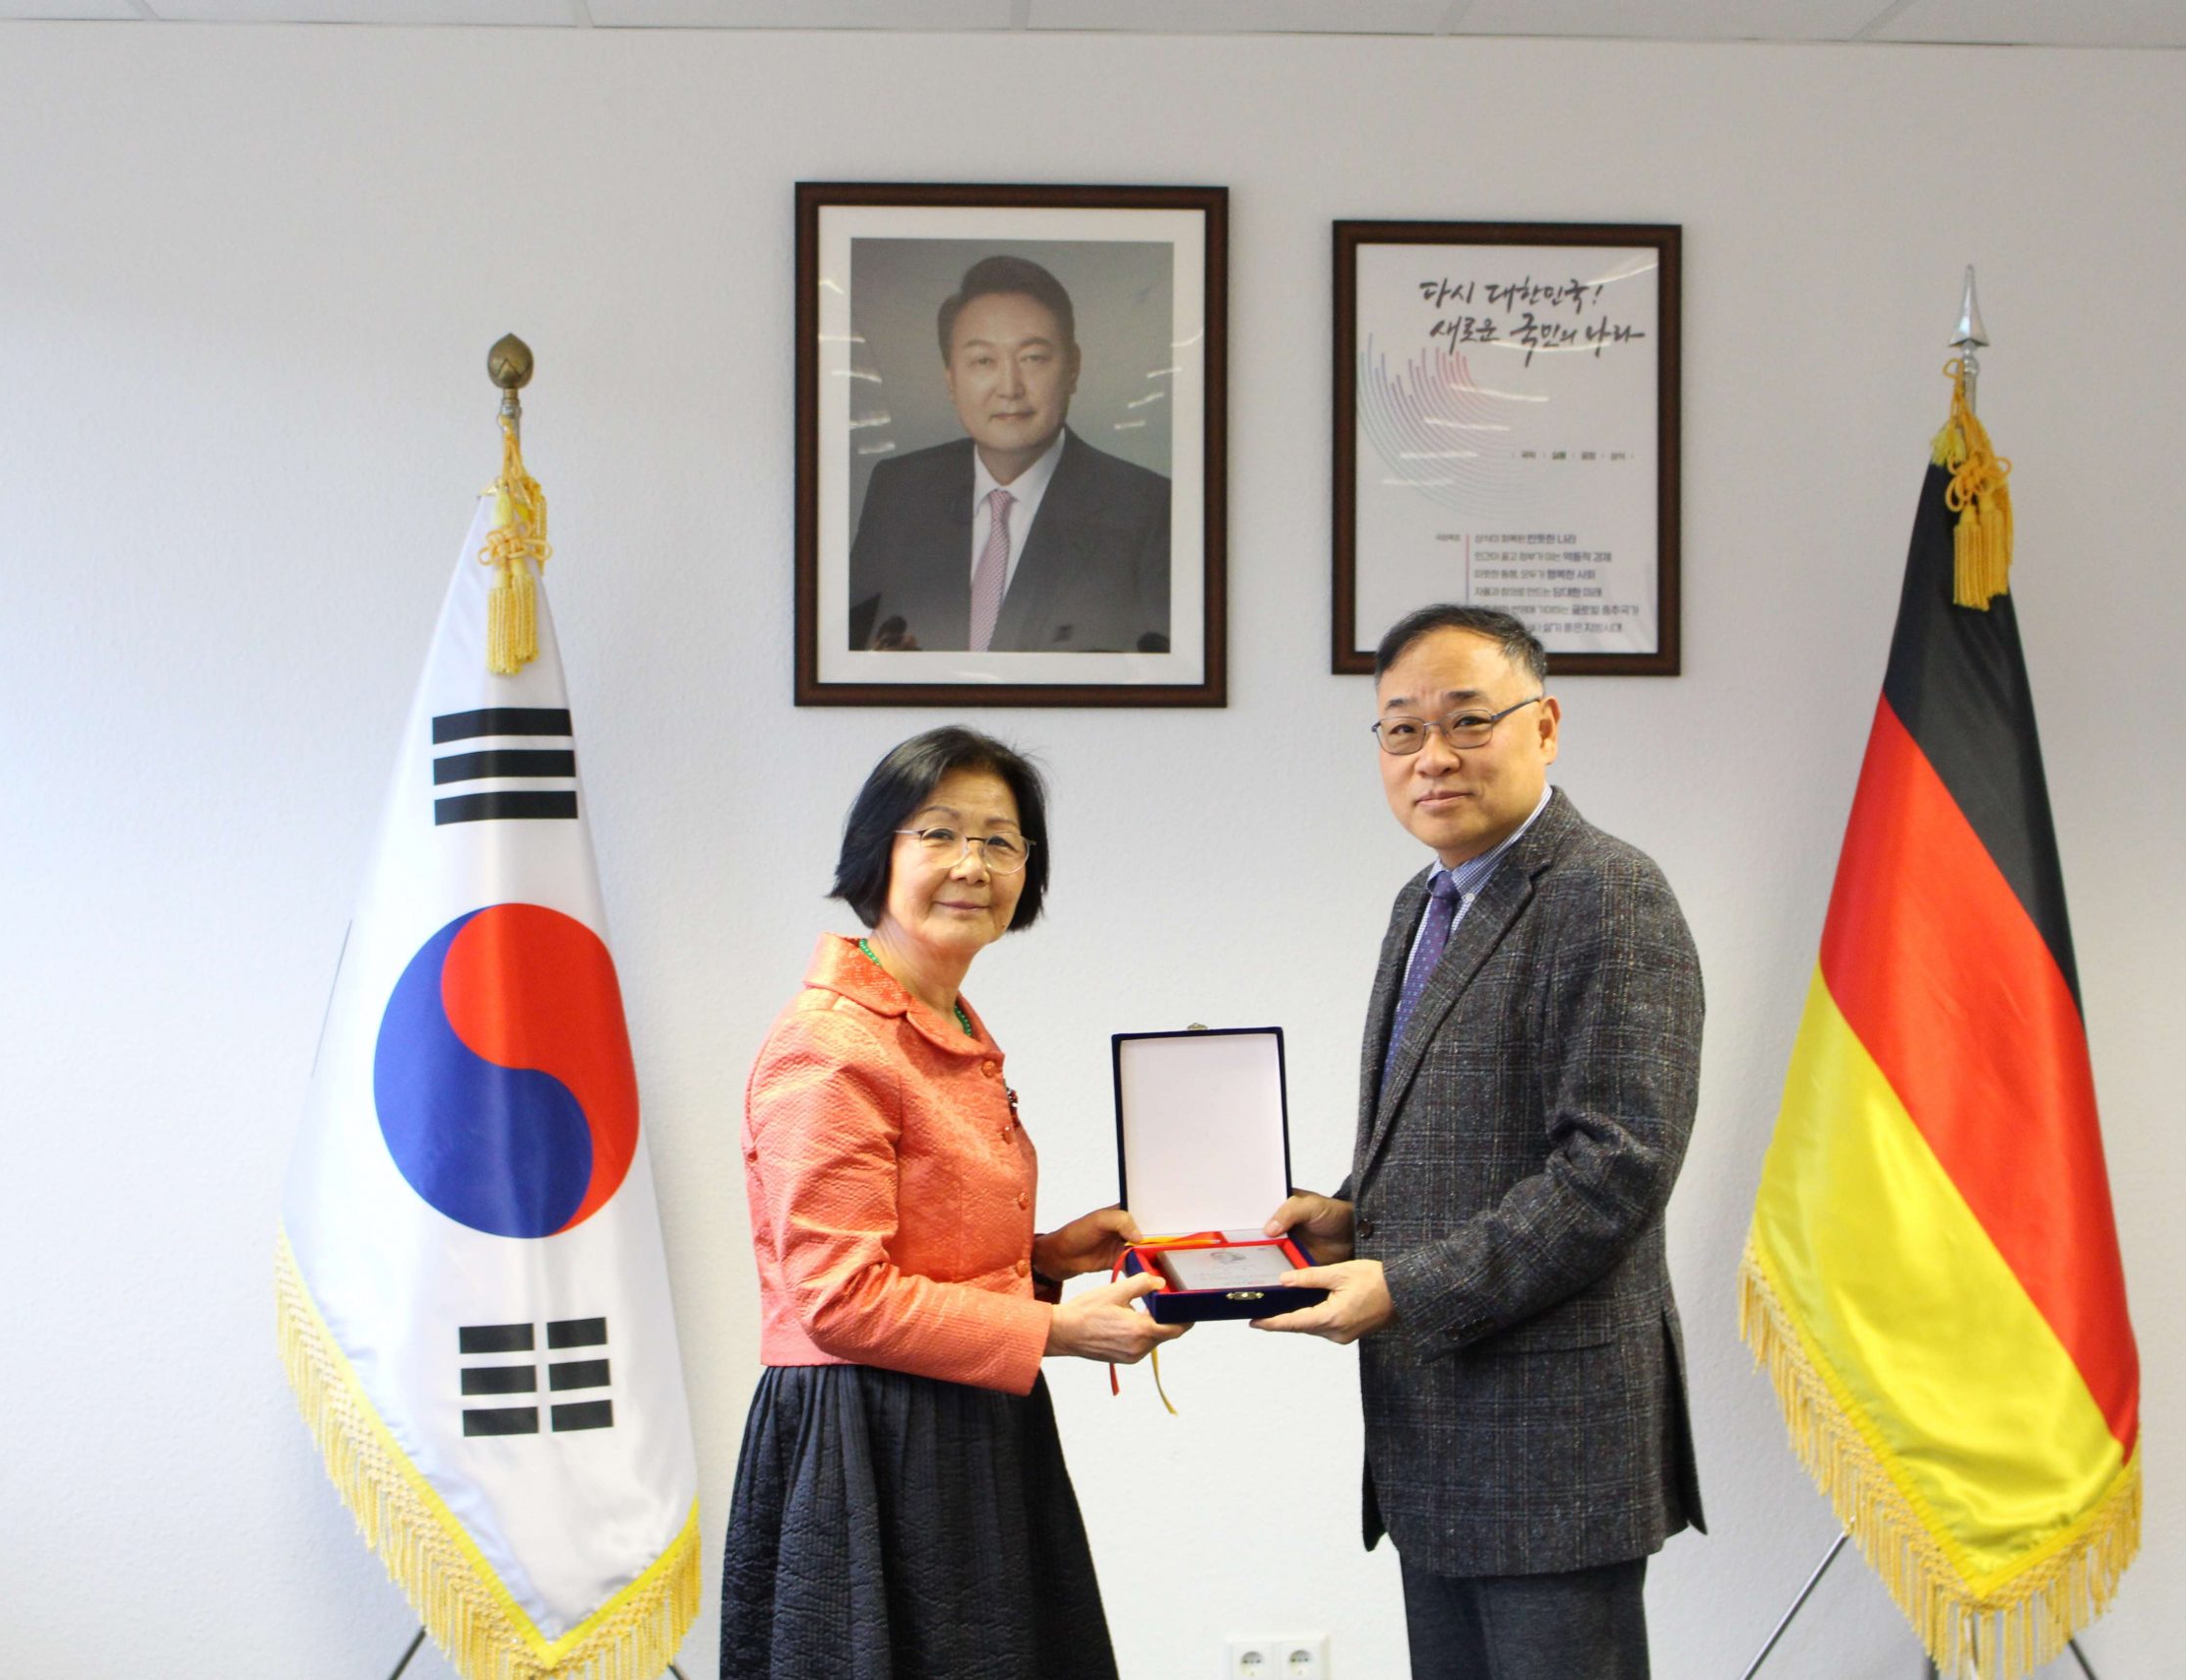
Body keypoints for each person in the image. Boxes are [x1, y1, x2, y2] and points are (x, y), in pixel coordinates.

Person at [1255, 605, 1706, 1680]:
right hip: (1436, 1433)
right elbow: (1456, 1126)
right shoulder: (1423, 901)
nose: (1433, 756)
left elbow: (1614, 1167)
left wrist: (1404, 1285)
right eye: (1402, 729)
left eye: (1467, 720)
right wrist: (1349, 1212)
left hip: (1554, 1446)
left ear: (1544, 726)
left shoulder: (1608, 892)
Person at [723, 725, 1184, 1680]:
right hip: (867, 1444)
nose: (971, 864)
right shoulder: (831, 1042)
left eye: (999, 841)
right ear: (877, 853)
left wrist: (1048, 1257)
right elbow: (839, 1298)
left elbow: (923, 1242)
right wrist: (1056, 1330)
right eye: (938, 833)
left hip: (968, 1417)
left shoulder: (943, 1016)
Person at [847, 255, 1170, 654]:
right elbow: (848, 656)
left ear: (1073, 368)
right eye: (983, 361)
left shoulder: (1148, 509)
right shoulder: (899, 489)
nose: (1009, 388)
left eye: (1032, 358)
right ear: (951, 380)